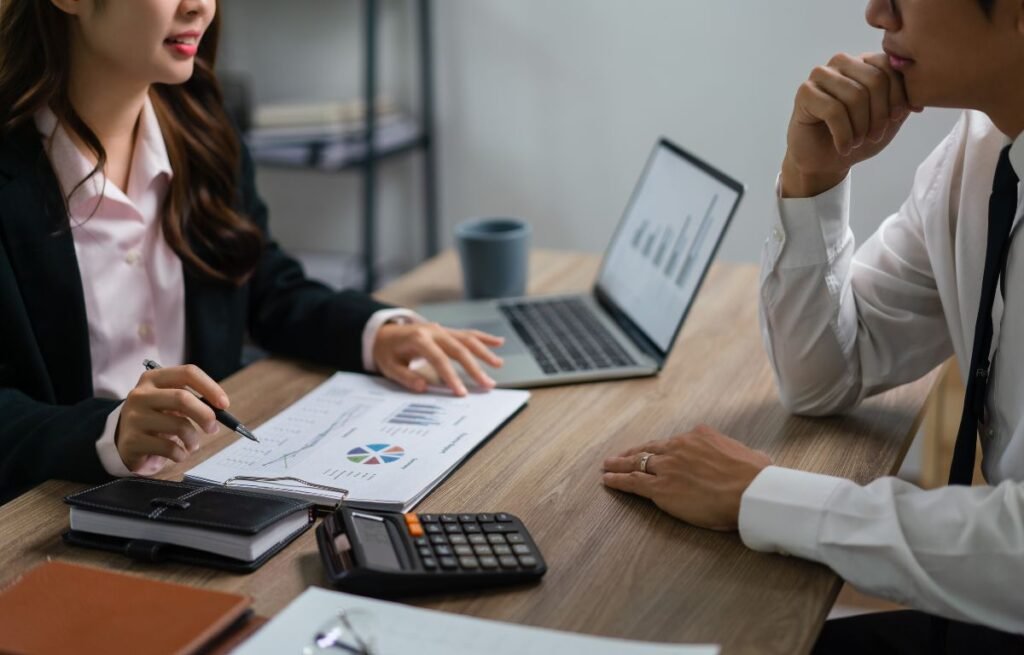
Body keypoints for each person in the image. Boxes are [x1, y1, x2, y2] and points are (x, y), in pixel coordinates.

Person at [602, 0, 1024, 652]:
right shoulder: (976, 156)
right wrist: (813, 175)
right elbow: (825, 375)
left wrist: (766, 494)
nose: (876, 11)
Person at [0, 0, 505, 504]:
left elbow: (262, 282)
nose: (200, 6)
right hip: (53, 509)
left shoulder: (199, 117)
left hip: (200, 478)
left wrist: (379, 333)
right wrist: (107, 433)